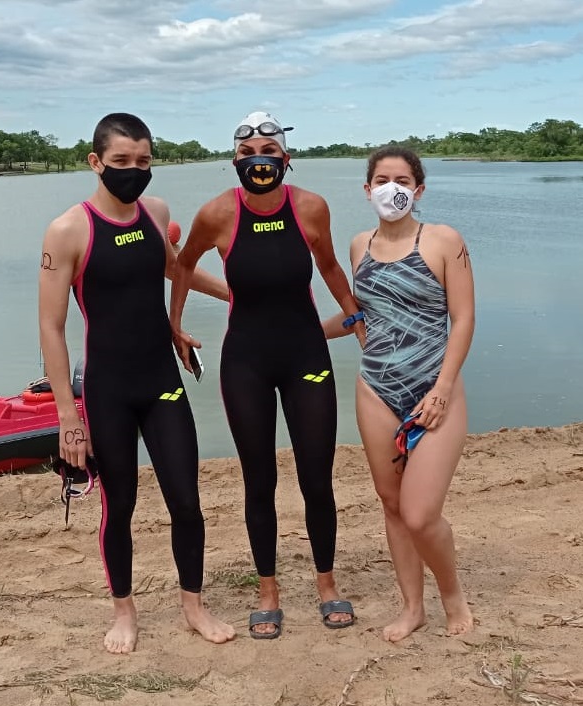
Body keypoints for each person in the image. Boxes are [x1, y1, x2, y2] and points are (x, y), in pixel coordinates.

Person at [38, 112, 235, 654]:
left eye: (143, 161)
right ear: (95, 163)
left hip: (161, 381)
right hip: (107, 390)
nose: (133, 171)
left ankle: (193, 604)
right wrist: (67, 416)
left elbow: (175, 270)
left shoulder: (156, 212)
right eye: (121, 162)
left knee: (186, 501)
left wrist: (234, 296)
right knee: (118, 505)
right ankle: (123, 612)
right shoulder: (68, 230)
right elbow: (51, 329)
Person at [168, 111, 365, 639]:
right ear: (235, 161)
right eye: (249, 153)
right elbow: (182, 264)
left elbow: (328, 266)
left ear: (285, 158)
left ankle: (326, 584)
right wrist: (175, 325)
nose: (260, 161)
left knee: (316, 475)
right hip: (247, 361)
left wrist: (356, 317)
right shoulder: (216, 214)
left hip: (305, 355)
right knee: (259, 479)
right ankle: (268, 591)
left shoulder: (310, 207)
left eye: (270, 153)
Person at [323, 145, 475, 642]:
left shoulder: (444, 241)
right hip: (375, 390)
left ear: (420, 189)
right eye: (383, 180)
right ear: (367, 190)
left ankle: (453, 598)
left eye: (403, 180)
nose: (393, 189)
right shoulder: (357, 245)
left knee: (420, 512)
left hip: (435, 391)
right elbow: (361, 316)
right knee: (391, 505)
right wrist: (295, 333)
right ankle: (413, 607)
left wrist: (443, 388)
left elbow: (464, 319)